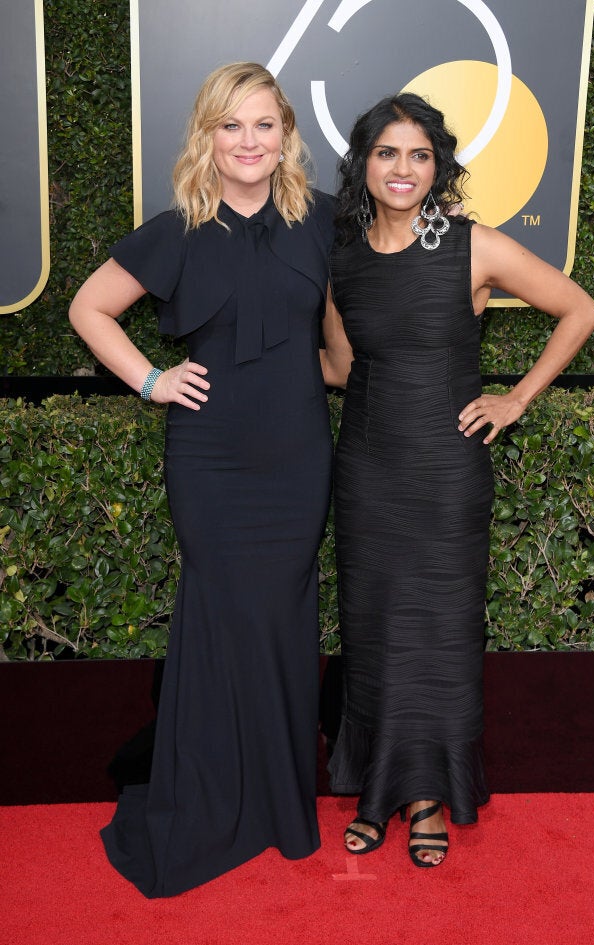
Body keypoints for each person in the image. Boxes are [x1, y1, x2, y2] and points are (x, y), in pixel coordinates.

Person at [69, 62, 336, 898]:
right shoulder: (175, 230)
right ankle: (219, 793)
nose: (249, 141)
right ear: (208, 138)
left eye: (264, 125)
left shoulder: (324, 223)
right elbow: (87, 308)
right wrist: (152, 380)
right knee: (224, 617)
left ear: (287, 134)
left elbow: (342, 340)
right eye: (232, 126)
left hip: (297, 458)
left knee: (286, 619)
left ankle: (283, 801)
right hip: (212, 459)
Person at [319, 93, 594, 867]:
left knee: (438, 634)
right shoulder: (340, 256)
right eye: (387, 153)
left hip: (446, 470)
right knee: (373, 628)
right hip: (368, 469)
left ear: (437, 165)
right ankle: (378, 787)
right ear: (363, 164)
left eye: (419, 154)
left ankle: (430, 796)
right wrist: (255, 370)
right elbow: (340, 367)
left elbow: (579, 309)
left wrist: (516, 397)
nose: (402, 169)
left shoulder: (472, 247)